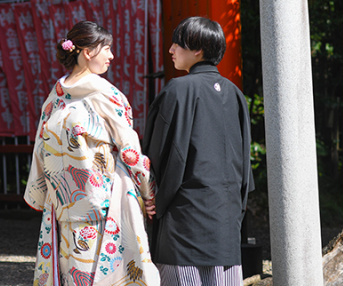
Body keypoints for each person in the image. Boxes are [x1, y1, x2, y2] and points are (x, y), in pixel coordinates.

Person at [24, 21, 159, 286]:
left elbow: (40, 149)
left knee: (72, 274)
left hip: (62, 202)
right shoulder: (105, 94)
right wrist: (148, 191)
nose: (111, 56)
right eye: (106, 49)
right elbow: (130, 150)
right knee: (99, 274)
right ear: (87, 52)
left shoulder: (55, 97)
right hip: (100, 202)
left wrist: (42, 192)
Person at [142, 17, 253, 286]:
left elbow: (159, 155)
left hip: (184, 221)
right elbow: (244, 163)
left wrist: (151, 198)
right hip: (226, 220)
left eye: (177, 44)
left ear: (197, 50)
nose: (170, 50)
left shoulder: (178, 90)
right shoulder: (235, 93)